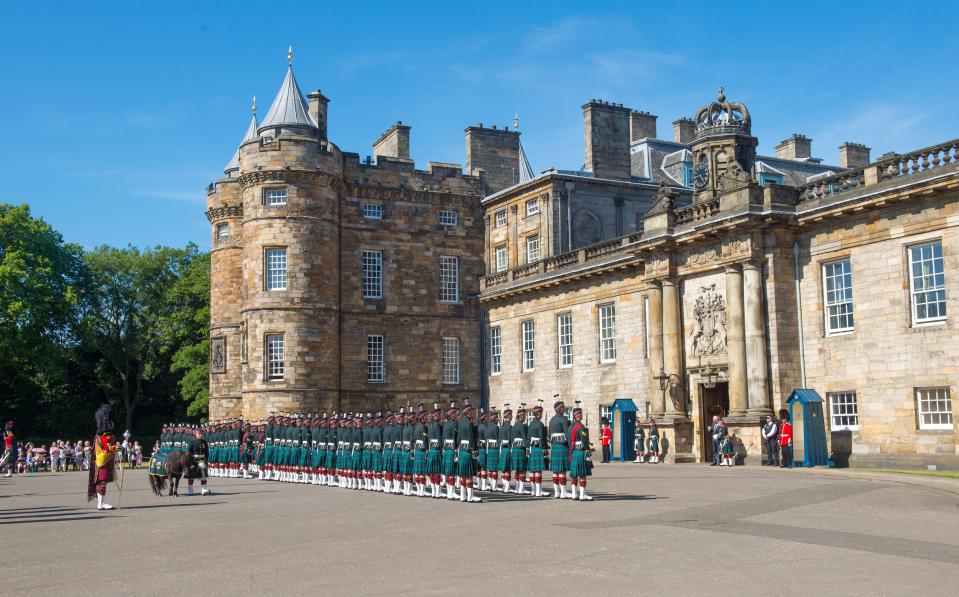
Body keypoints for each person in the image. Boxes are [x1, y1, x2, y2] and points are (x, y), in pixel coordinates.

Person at [87, 404, 119, 510]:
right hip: (103, 462)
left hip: (102, 462)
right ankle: (101, 504)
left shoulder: (99, 436)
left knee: (102, 482)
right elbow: (107, 450)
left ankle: (101, 503)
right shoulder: (105, 437)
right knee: (102, 482)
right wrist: (116, 448)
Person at [455, 401, 481, 502]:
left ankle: (462, 496)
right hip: (467, 451)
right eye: (471, 411)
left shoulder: (460, 422)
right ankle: (470, 496)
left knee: (463, 475)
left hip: (461, 450)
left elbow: (458, 439)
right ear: (467, 412)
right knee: (469, 475)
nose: (473, 413)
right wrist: (475, 450)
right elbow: (471, 439)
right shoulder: (469, 423)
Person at [567, 404, 594, 500]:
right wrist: (588, 452)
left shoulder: (569, 428)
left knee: (574, 475)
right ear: (577, 415)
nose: (581, 415)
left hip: (573, 453)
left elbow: (569, 442)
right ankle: (582, 495)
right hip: (581, 452)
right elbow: (585, 442)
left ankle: (574, 494)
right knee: (582, 474)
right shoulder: (581, 427)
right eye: (580, 413)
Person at [548, 399, 571, 498]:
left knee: (555, 471)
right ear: (560, 409)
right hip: (562, 446)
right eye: (563, 407)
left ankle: (557, 492)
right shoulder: (564, 419)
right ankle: (563, 492)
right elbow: (568, 435)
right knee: (562, 470)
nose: (564, 408)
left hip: (554, 447)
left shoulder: (551, 420)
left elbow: (549, 436)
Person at [526, 404, 548, 497]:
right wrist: (544, 448)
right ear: (538, 413)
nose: (542, 414)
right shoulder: (540, 424)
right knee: (538, 471)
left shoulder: (530, 424)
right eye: (541, 412)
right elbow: (541, 438)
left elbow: (528, 437)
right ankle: (539, 491)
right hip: (538, 448)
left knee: (532, 471)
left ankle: (533, 490)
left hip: (532, 448)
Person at [185, 427, 211, 495]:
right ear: (195, 434)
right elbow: (188, 453)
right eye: (199, 433)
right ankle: (190, 490)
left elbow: (207, 452)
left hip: (201, 460)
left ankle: (204, 490)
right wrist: (189, 462)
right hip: (193, 461)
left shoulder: (204, 442)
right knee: (191, 476)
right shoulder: (192, 442)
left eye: (202, 434)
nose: (201, 435)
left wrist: (206, 461)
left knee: (203, 475)